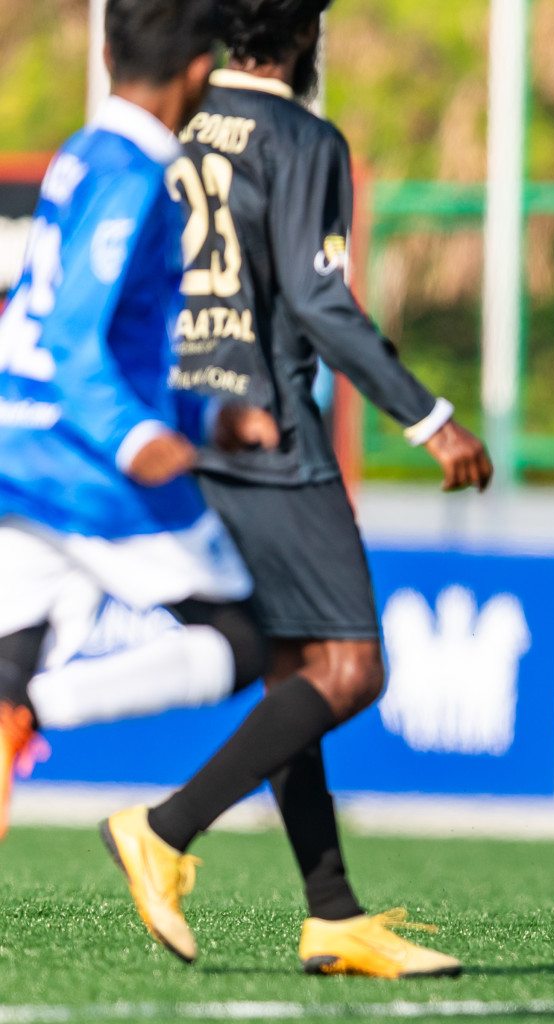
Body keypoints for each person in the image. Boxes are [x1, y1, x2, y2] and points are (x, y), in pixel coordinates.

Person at [99, 0, 489, 978]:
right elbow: (319, 300)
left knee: (294, 677)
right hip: (270, 435)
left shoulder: (170, 124)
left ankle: (333, 913)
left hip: (183, 432)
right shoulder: (302, 136)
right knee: (353, 667)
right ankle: (164, 826)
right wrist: (427, 414)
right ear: (307, 35)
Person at [0, 0, 276, 841]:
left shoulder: (83, 153)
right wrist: (138, 436)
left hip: (17, 441)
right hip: (81, 462)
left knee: (9, 660)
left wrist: (206, 412)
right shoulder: (137, 172)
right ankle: (35, 713)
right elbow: (77, 336)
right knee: (246, 638)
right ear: (201, 69)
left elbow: (120, 332)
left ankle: (19, 711)